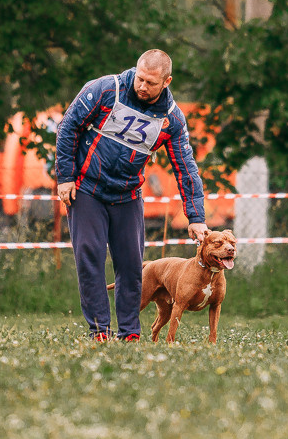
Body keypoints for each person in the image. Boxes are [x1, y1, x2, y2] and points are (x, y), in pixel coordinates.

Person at [56, 50, 209, 341]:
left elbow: (185, 167)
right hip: (87, 188)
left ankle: (129, 333)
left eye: (151, 82)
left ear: (166, 81)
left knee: (130, 264)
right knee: (90, 256)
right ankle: (100, 330)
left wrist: (196, 217)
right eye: (140, 78)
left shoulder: (171, 119)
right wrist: (65, 177)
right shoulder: (103, 90)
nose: (142, 86)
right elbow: (67, 128)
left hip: (127, 194)